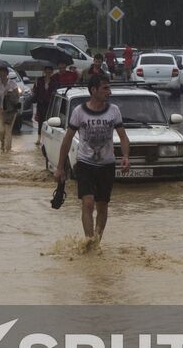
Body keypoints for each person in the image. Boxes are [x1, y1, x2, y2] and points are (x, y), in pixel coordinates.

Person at [54, 74, 130, 248]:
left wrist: (126, 156)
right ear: (93, 90)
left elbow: (123, 136)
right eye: (105, 88)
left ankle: (97, 241)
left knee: (102, 205)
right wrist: (60, 167)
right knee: (88, 203)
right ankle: (89, 242)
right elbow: (67, 140)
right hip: (85, 163)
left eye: (109, 88)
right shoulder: (79, 112)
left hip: (107, 165)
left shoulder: (114, 111)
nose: (109, 92)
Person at [0, 66, 22, 153]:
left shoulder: (13, 84)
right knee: (0, 131)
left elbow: (17, 96)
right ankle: (2, 142)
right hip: (0, 110)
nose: (2, 76)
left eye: (4, 74)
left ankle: (8, 151)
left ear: (7, 74)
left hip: (11, 111)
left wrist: (9, 93)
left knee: (8, 131)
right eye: (0, 74)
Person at [32, 71, 54, 145]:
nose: (48, 73)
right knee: (40, 122)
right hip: (40, 104)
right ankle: (39, 138)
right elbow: (35, 91)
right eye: (46, 71)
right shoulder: (39, 80)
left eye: (49, 72)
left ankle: (46, 139)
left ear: (51, 72)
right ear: (44, 72)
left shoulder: (54, 81)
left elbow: (55, 91)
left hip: (50, 105)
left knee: (49, 122)